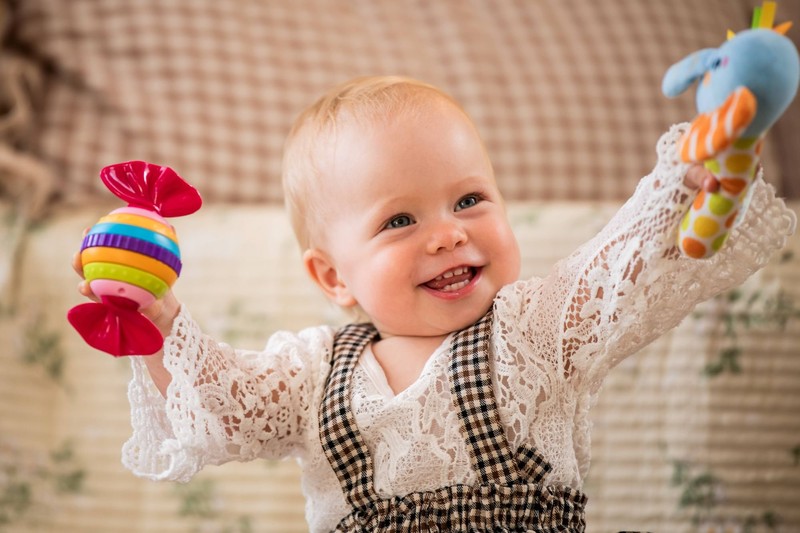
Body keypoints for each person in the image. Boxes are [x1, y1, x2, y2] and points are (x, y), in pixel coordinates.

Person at [74, 76, 796, 532]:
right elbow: (222, 410)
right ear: (334, 278)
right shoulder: (312, 374)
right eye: (400, 220)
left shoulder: (535, 332)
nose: (448, 233)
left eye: (469, 199)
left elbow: (617, 269)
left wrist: (681, 179)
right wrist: (160, 321)